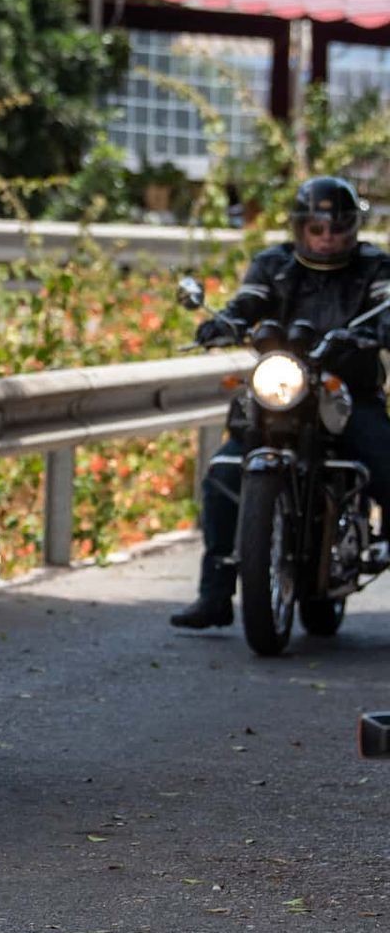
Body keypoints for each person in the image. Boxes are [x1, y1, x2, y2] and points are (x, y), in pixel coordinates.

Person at [172, 176, 390, 630]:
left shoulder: (373, 267)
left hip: (347, 391)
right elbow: (248, 302)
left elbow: (385, 306)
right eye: (316, 228)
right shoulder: (274, 264)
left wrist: (375, 332)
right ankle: (214, 594)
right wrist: (223, 324)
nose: (326, 237)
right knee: (222, 473)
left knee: (384, 462)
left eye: (335, 227)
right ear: (299, 228)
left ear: (351, 228)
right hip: (284, 389)